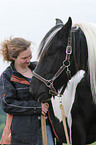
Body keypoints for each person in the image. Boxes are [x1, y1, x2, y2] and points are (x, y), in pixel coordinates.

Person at [0, 37, 54, 145]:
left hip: (47, 125)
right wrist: (37, 107)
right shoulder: (7, 76)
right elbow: (7, 104)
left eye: (30, 55)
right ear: (13, 57)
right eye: (24, 58)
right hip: (23, 132)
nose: (29, 60)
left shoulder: (39, 68)